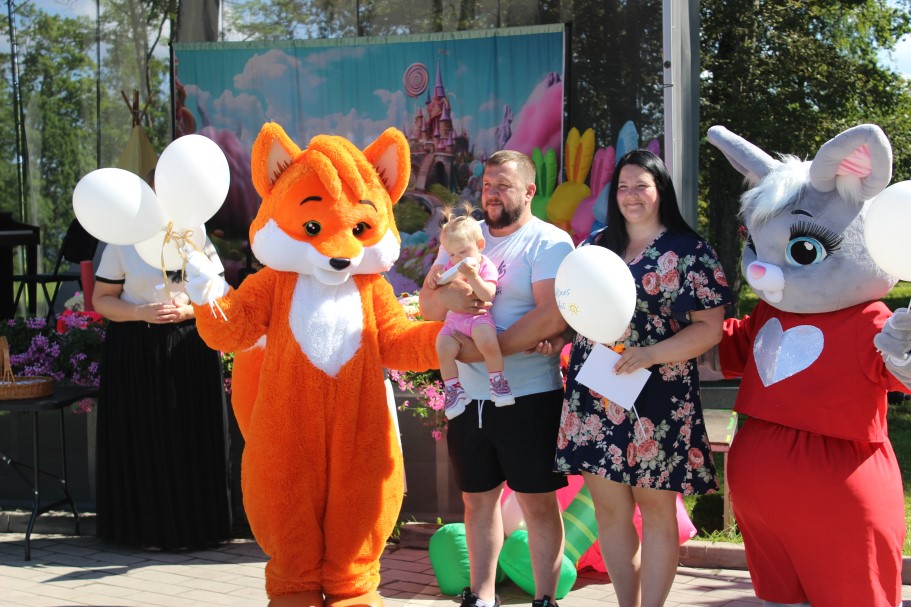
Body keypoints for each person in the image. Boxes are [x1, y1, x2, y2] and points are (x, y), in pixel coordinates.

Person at [553, 150, 732, 607]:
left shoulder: (691, 251)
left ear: (660, 191)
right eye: (623, 187)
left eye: (641, 186)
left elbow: (709, 328)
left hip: (658, 397)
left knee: (656, 511)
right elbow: (574, 309)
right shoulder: (596, 245)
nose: (631, 196)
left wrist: (650, 354)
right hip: (596, 394)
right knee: (610, 512)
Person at [420, 150, 574, 607]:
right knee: (476, 500)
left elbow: (552, 314)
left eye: (503, 186)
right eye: (487, 185)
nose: (491, 194)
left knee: (537, 502)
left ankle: (544, 599)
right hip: (468, 398)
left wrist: (487, 350)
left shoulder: (550, 242)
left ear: (529, 191)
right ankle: (482, 597)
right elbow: (428, 308)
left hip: (529, 395)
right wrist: (449, 301)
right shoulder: (464, 236)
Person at [93, 239, 232, 551]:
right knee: (144, 434)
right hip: (136, 348)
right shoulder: (123, 242)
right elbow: (101, 299)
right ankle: (144, 531)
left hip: (191, 345)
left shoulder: (197, 237)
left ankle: (199, 529)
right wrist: (140, 312)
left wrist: (188, 311)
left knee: (193, 434)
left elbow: (221, 293)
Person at [426, 205, 514, 418]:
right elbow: (440, 288)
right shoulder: (450, 265)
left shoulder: (484, 266)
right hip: (454, 321)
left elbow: (487, 295)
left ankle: (498, 382)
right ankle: (454, 390)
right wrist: (435, 280)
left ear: (479, 245)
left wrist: (474, 277)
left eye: (463, 252)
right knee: (443, 348)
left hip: (477, 317)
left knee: (488, 344)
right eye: (452, 254)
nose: (457, 258)